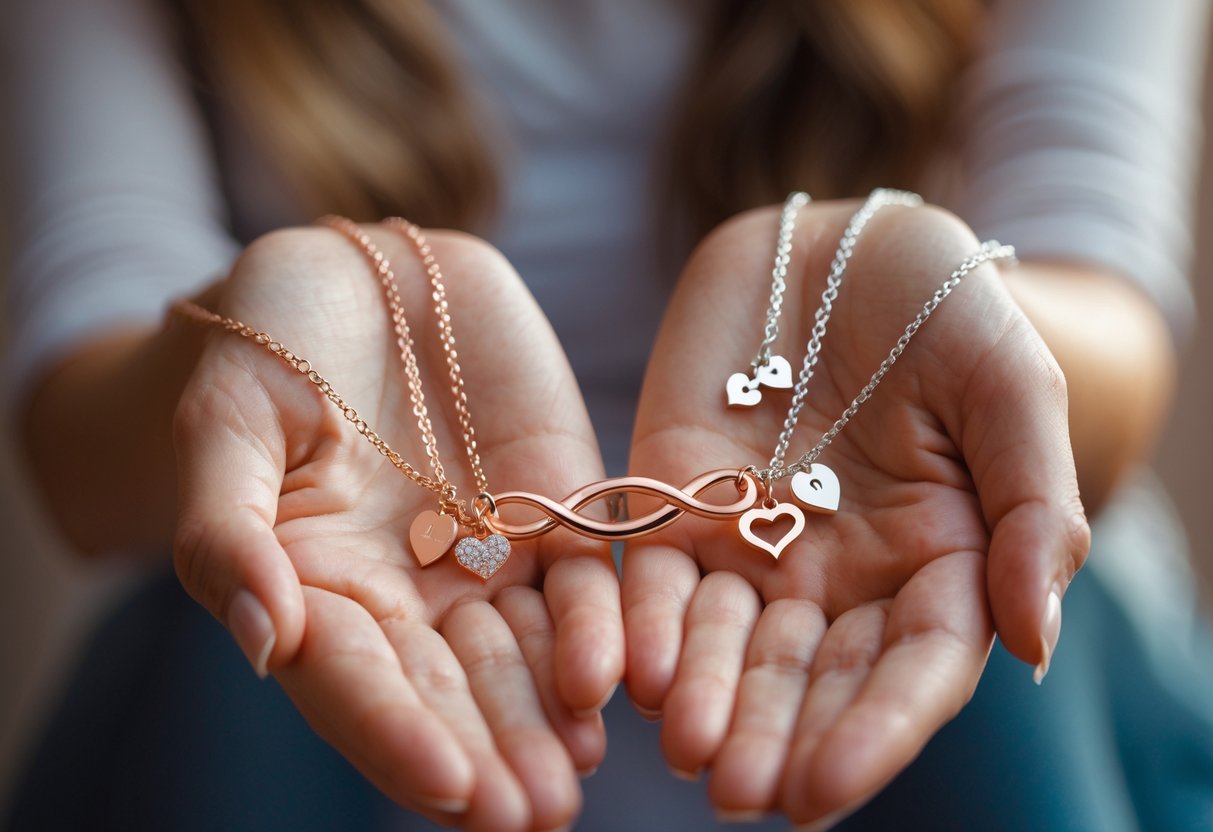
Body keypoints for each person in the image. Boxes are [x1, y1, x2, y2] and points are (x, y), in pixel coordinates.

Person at [4, 1, 1212, 830]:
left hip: (887, 543)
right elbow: (78, 438)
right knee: (247, 634)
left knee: (992, 617)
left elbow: (1108, 293)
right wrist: (253, 340)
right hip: (341, 596)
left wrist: (954, 307)